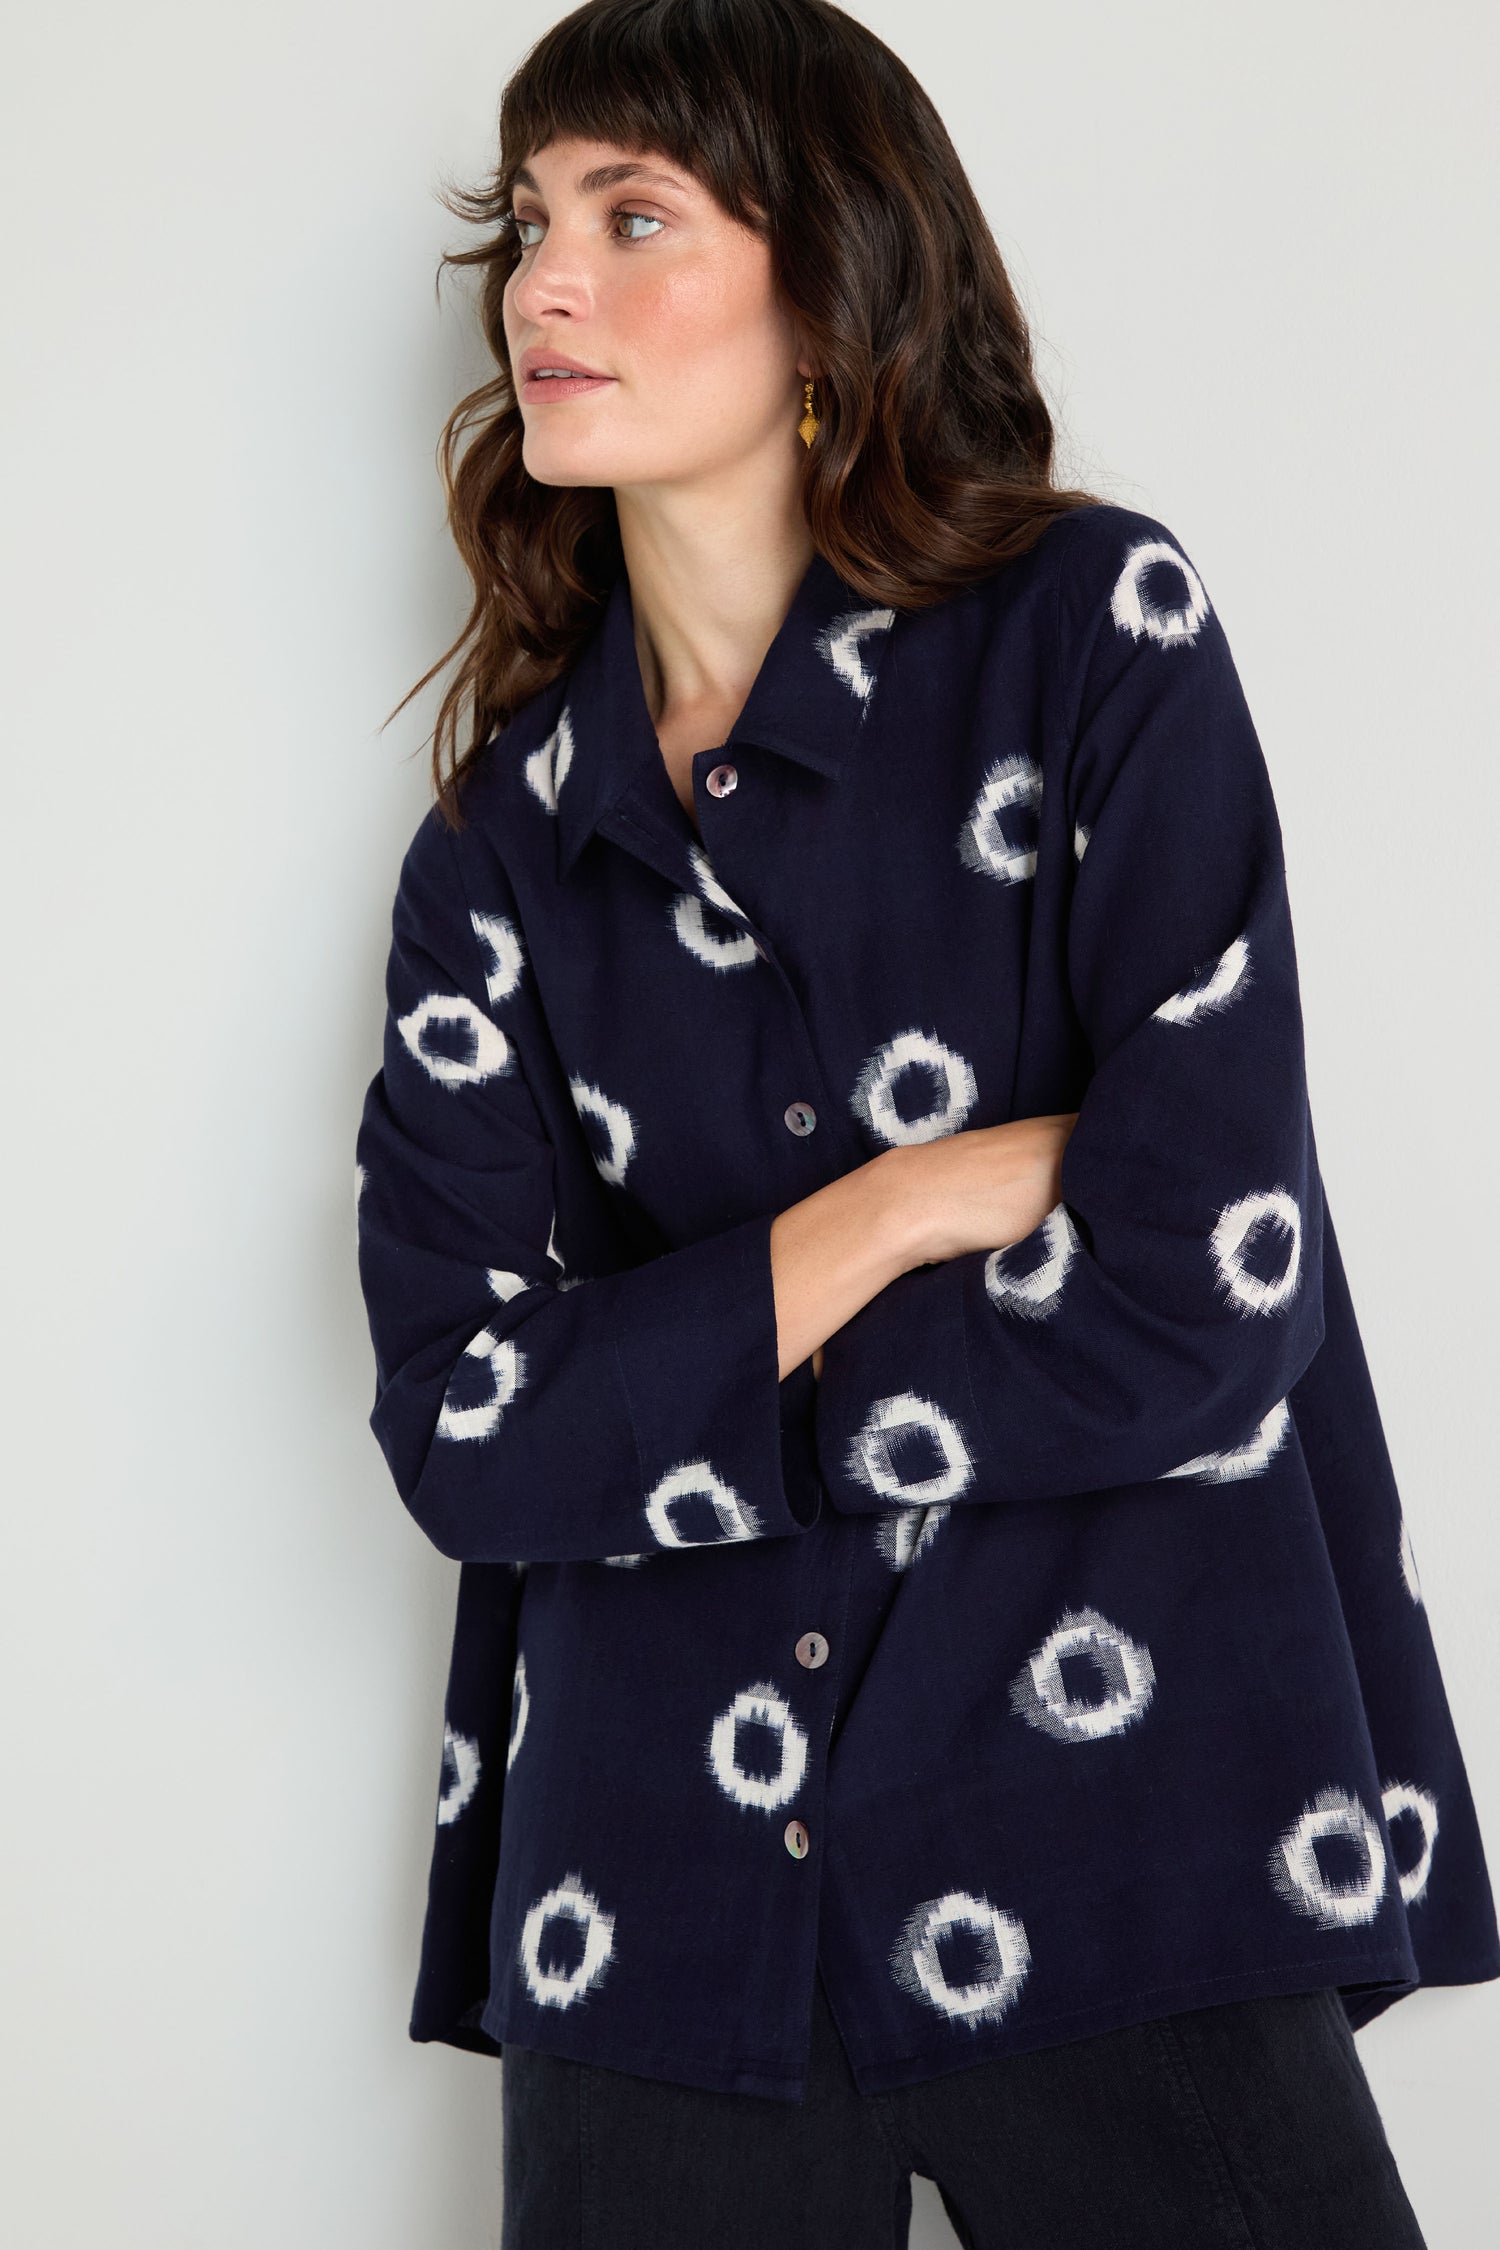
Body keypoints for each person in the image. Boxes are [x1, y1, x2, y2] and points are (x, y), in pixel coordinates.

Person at [354, 2, 1500, 2242]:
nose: (543, 287)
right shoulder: (502, 845)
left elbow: (1200, 1309)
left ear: (832, 288)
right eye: (531, 226)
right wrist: (892, 1215)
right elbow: (465, 1439)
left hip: (1136, 1832)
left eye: (634, 216)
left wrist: (675, 1392)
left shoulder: (1098, 639)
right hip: (656, 1910)